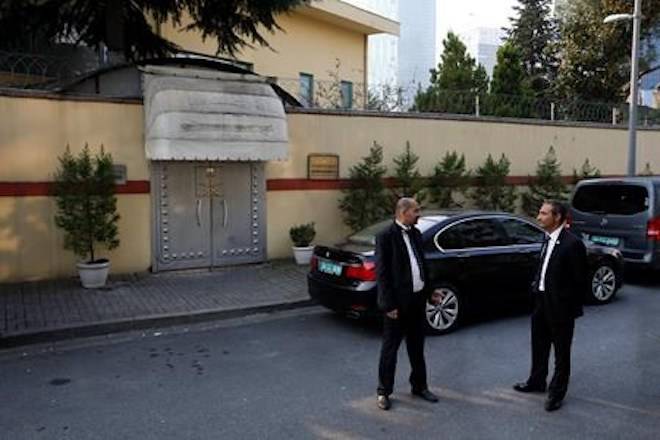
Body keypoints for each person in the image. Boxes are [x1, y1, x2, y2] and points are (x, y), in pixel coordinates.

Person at [513, 200, 588, 412]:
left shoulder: (572, 244)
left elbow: (579, 281)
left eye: (544, 214)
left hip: (561, 308)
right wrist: (536, 285)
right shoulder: (547, 238)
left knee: (561, 354)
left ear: (557, 218)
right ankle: (537, 381)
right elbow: (544, 267)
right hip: (541, 303)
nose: (539, 217)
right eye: (540, 213)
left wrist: (567, 307)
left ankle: (557, 393)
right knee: (539, 345)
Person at [375, 197, 440, 410]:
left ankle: (420, 386)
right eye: (416, 210)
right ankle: (384, 392)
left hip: (417, 301)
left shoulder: (416, 234)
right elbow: (382, 274)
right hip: (396, 305)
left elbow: (422, 265)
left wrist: (430, 292)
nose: (419, 214)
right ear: (403, 212)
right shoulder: (385, 236)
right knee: (390, 350)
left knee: (417, 347)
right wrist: (388, 305)